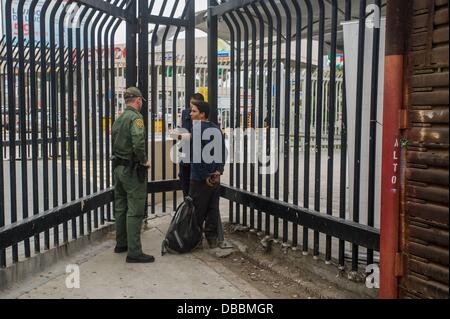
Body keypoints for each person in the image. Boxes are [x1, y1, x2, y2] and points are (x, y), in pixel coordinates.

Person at [111, 87, 154, 263]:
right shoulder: (136, 118)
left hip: (118, 168)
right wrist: (143, 160)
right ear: (137, 100)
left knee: (121, 207)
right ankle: (134, 252)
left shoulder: (119, 118)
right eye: (141, 101)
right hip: (131, 170)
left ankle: (121, 244)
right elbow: (138, 142)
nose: (141, 103)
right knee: (135, 210)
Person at [189, 100, 226, 249]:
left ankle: (195, 240)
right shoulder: (216, 129)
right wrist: (218, 172)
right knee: (212, 209)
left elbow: (197, 157)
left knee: (197, 211)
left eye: (194, 111)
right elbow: (222, 153)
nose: (191, 114)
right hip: (214, 177)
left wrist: (205, 176)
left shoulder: (197, 129)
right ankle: (212, 239)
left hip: (199, 178)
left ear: (202, 114)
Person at [178, 93, 205, 197]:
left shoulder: (204, 115)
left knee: (197, 188)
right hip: (185, 155)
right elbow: (180, 129)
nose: (191, 106)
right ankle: (187, 210)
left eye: (194, 104)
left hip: (199, 157)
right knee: (185, 182)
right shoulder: (185, 113)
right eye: (191, 103)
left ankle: (196, 210)